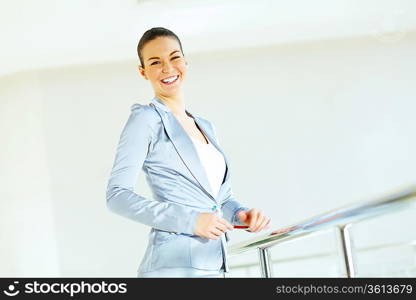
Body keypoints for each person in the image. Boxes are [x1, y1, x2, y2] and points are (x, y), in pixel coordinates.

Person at [106, 27, 271, 278]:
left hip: (214, 265)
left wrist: (240, 214)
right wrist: (191, 221)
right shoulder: (146, 119)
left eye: (174, 57)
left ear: (185, 61)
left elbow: (218, 200)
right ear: (143, 72)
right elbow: (116, 196)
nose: (168, 68)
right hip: (172, 268)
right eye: (155, 62)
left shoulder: (206, 126)